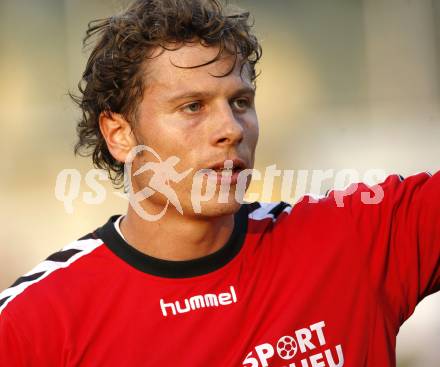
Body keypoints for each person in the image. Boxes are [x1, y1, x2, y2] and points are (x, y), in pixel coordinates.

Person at [0, 0, 438, 366]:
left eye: (241, 102)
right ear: (120, 134)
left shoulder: (357, 242)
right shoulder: (34, 325)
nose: (231, 128)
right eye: (193, 106)